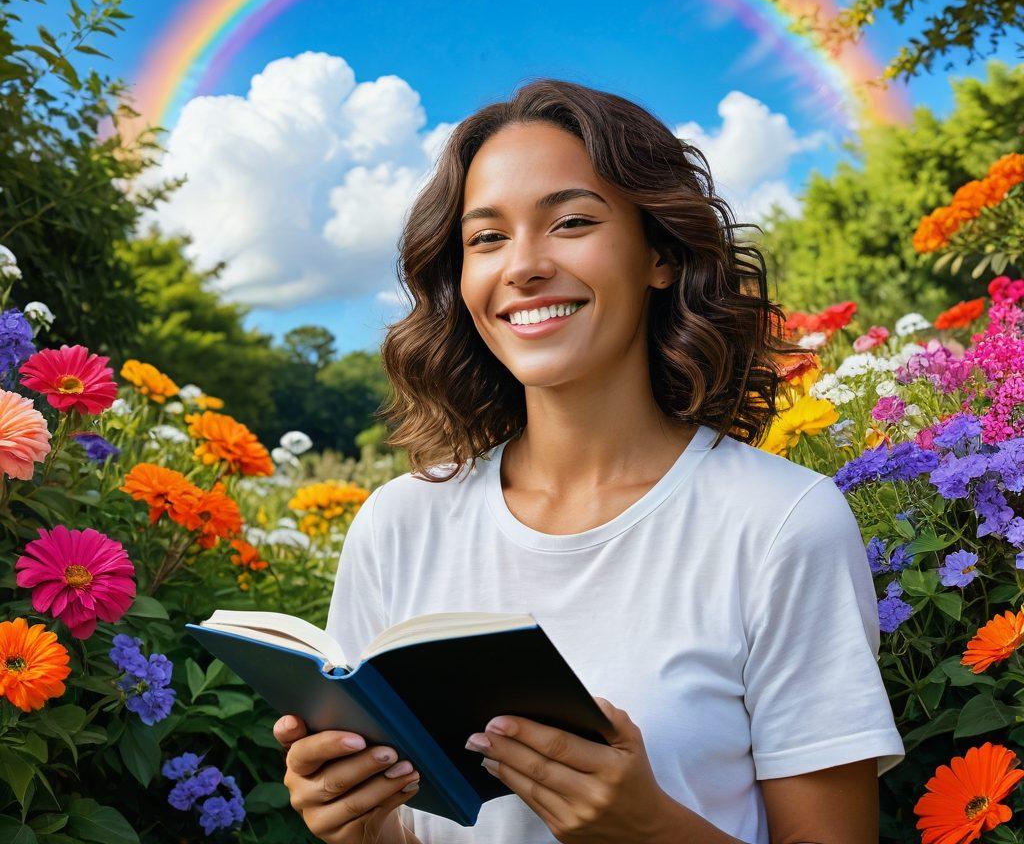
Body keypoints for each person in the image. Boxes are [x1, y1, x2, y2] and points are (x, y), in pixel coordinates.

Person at [273, 78, 905, 844]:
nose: (524, 266)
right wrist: (360, 826)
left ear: (660, 256)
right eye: (487, 238)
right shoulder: (399, 525)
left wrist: (649, 831)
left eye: (571, 222)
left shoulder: (780, 524)